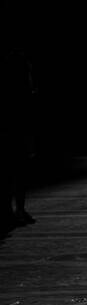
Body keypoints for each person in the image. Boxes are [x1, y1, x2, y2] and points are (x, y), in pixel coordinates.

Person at [0, 47, 36, 228]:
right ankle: (17, 210)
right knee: (17, 173)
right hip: (15, 132)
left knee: (12, 173)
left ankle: (14, 210)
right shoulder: (21, 95)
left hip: (13, 131)